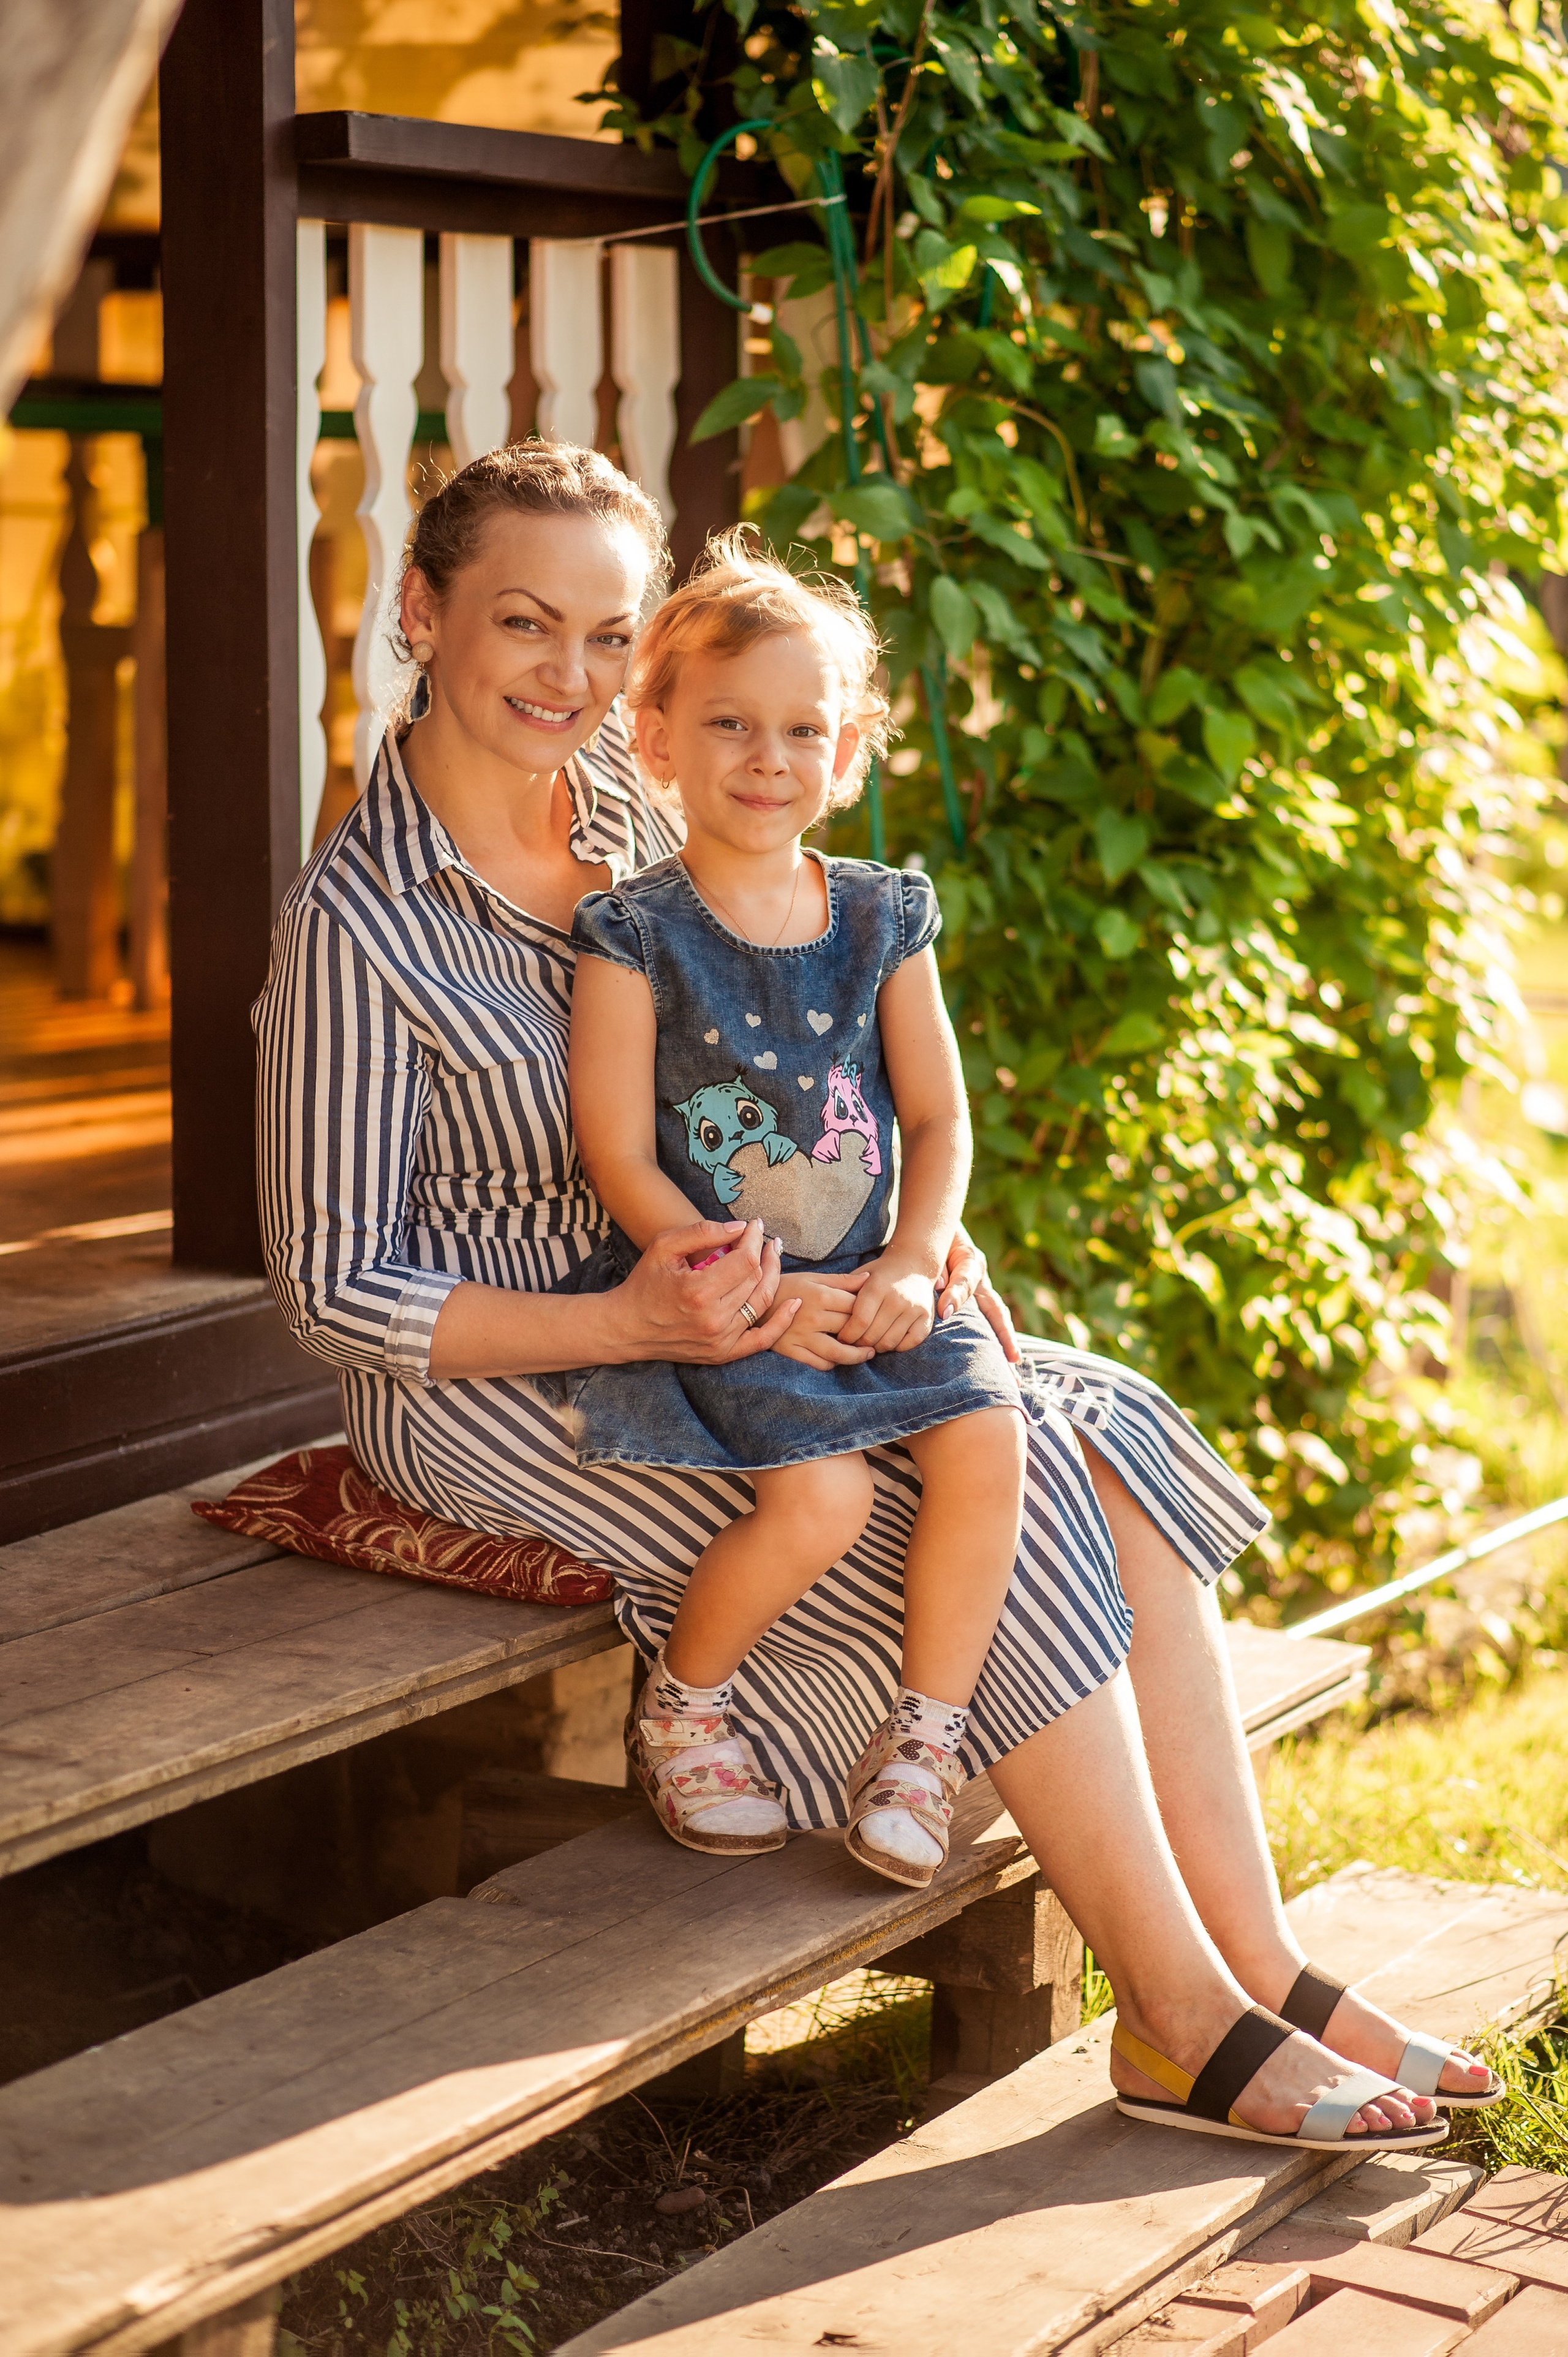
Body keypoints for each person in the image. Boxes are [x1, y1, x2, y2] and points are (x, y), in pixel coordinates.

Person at [255, 437, 1496, 2151]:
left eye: (611, 636)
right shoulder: (359, 924)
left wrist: (915, 1246)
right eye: (525, 623)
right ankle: (1174, 2010)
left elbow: (821, 1058)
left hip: (759, 1287)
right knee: (923, 1495)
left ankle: (1261, 1964)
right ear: (420, 613)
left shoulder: (641, 801)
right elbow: (331, 1290)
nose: (572, 674)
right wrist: (637, 1318)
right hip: (509, 1368)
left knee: (1068, 1417)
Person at [556, 535, 1026, 1889]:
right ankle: (686, 1705)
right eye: (728, 723)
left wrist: (922, 1252)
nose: (767, 756)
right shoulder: (631, 932)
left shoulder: (885, 917)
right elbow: (617, 1156)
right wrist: (746, 1289)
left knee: (987, 1436)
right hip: (727, 1289)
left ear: (848, 751)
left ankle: (924, 1745)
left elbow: (935, 1120)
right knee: (814, 1501)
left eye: (802, 729)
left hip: (883, 1273)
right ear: (655, 737)